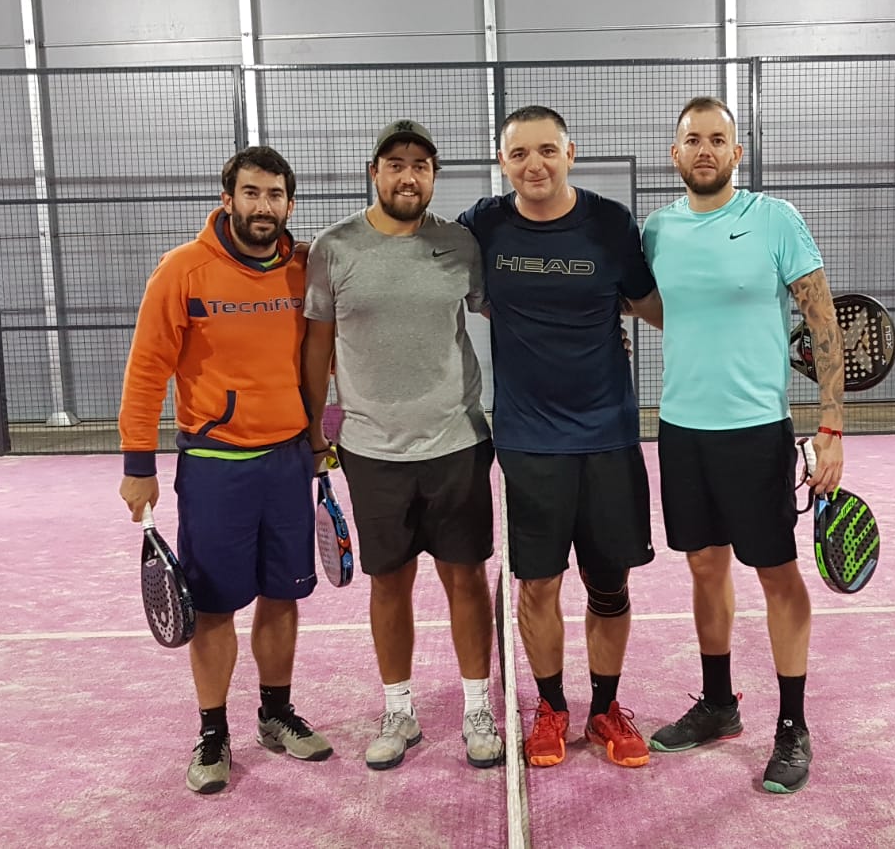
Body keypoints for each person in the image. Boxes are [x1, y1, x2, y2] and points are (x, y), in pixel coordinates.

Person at [640, 96, 846, 795]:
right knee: (704, 566)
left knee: (776, 573)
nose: (705, 150)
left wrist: (831, 427)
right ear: (675, 154)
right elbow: (655, 307)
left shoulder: (775, 220)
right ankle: (718, 704)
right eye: (692, 140)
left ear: (737, 152)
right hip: (681, 429)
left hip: (757, 431)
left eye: (717, 139)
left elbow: (822, 320)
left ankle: (792, 726)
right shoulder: (657, 230)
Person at [117, 146, 333, 795]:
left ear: (289, 204)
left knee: (283, 594)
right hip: (215, 466)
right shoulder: (183, 270)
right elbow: (147, 369)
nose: (263, 206)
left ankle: (275, 713)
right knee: (213, 606)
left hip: (288, 462)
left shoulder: (304, 270)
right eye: (251, 193)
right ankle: (213, 732)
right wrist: (138, 464)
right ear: (228, 199)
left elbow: (325, 359)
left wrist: (323, 436)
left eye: (275, 195)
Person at [456, 106, 664, 769]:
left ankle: (606, 708)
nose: (534, 165)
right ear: (502, 162)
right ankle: (550, 708)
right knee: (538, 587)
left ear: (570, 153)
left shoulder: (611, 224)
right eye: (519, 154)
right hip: (529, 442)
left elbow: (655, 306)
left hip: (608, 437)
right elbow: (419, 261)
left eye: (547, 150)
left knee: (609, 586)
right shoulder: (482, 225)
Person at [300, 120, 504, 771]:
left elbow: (508, 313)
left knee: (466, 578)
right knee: (389, 582)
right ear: (375, 173)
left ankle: (478, 707)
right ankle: (398, 710)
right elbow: (317, 347)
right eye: (396, 164)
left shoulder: (460, 245)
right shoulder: (333, 249)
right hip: (371, 449)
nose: (408, 176)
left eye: (420, 165)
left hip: (457, 442)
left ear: (434, 176)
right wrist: (316, 430)